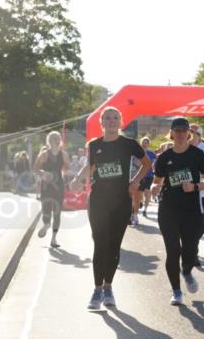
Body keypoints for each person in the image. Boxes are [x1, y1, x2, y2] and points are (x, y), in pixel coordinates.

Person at [70, 106, 151, 309]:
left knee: (114, 246)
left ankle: (108, 287)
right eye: (108, 118)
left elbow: (147, 164)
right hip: (98, 201)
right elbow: (89, 167)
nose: (112, 121)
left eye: (116, 117)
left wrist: (135, 182)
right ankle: (97, 290)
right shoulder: (95, 145)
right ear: (102, 122)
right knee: (100, 244)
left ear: (120, 121)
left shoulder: (128, 144)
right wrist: (77, 180)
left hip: (121, 201)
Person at [151, 119, 204, 305]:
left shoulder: (197, 154)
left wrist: (194, 186)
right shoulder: (164, 157)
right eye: (176, 130)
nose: (180, 134)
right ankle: (176, 291)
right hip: (168, 209)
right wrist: (155, 187)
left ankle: (186, 270)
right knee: (172, 250)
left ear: (189, 133)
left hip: (191, 210)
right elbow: (157, 181)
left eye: (183, 130)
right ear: (171, 133)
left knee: (190, 249)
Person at [34, 131, 69, 248]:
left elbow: (68, 169)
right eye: (53, 138)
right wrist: (43, 173)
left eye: (58, 138)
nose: (56, 140)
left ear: (60, 140)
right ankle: (46, 224)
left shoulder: (63, 154)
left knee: (58, 212)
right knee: (46, 209)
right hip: (46, 186)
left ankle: (54, 239)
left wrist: (70, 176)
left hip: (59, 185)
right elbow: (35, 169)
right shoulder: (44, 154)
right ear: (49, 140)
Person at [132, 136, 156, 224]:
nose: (145, 143)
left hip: (149, 176)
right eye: (143, 142)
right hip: (137, 176)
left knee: (146, 193)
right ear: (141, 143)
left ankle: (144, 209)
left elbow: (154, 165)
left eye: (146, 142)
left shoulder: (152, 154)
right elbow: (133, 164)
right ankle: (134, 211)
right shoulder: (136, 153)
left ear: (148, 144)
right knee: (136, 195)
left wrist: (153, 167)